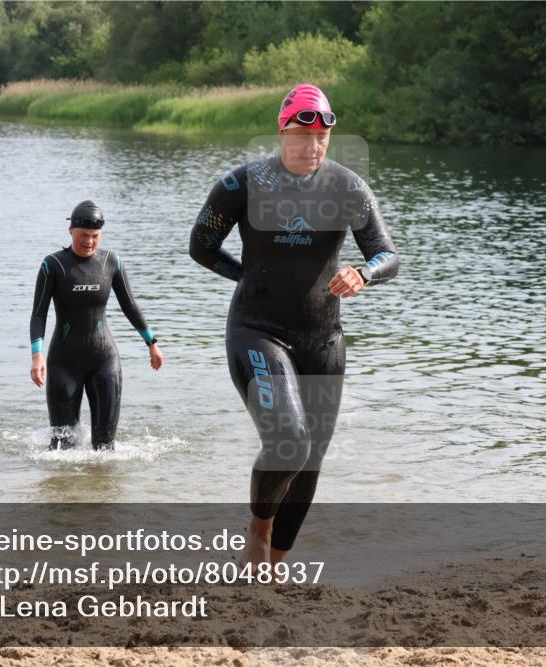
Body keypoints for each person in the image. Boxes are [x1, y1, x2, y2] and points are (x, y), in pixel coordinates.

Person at [188, 84, 399, 568]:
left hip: (323, 339)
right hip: (257, 330)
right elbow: (201, 245)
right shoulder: (243, 183)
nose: (312, 147)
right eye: (303, 137)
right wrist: (246, 277)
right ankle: (258, 533)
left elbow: (387, 254)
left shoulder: (347, 187)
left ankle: (275, 568)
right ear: (283, 132)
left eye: (322, 137)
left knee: (310, 459)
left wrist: (363, 274)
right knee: (289, 440)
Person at [30, 200, 164, 450]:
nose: (89, 241)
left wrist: (152, 343)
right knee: (61, 447)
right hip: (64, 363)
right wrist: (37, 356)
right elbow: (39, 314)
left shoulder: (111, 262)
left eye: (95, 236)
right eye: (83, 235)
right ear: (71, 231)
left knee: (105, 446)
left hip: (104, 361)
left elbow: (130, 305)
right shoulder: (53, 265)